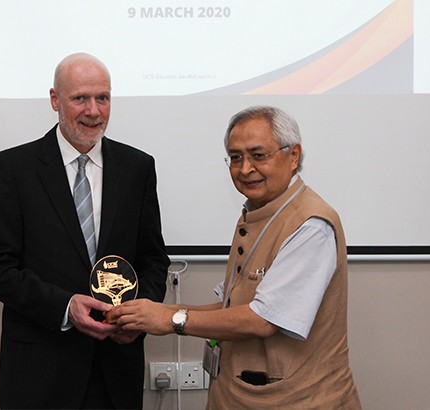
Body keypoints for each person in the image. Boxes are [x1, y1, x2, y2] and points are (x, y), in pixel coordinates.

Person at [108, 106, 361, 409]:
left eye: (258, 155)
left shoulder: (311, 225)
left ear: (293, 156)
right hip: (240, 395)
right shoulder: (258, 213)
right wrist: (151, 314)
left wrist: (170, 319)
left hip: (295, 400)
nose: (245, 169)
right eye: (236, 157)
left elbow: (262, 320)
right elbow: (234, 307)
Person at [0, 52, 169, 409]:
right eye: (80, 98)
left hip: (116, 371)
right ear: (55, 100)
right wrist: (65, 306)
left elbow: (153, 258)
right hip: (40, 372)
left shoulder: (137, 167)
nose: (93, 111)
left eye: (103, 98)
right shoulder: (14, 168)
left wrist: (141, 314)